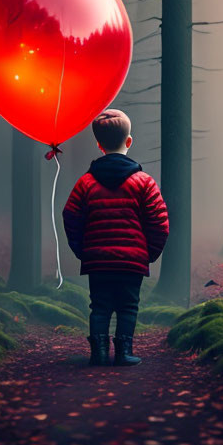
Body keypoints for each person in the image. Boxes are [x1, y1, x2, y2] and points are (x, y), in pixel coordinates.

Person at [62, 109, 169, 367]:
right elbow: (160, 223)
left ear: (99, 144)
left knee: (99, 306)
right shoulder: (144, 182)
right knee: (128, 307)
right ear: (129, 141)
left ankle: (98, 353)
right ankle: (123, 353)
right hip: (132, 261)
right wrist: (147, 253)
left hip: (98, 261)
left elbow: (71, 217)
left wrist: (83, 251)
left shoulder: (85, 183)